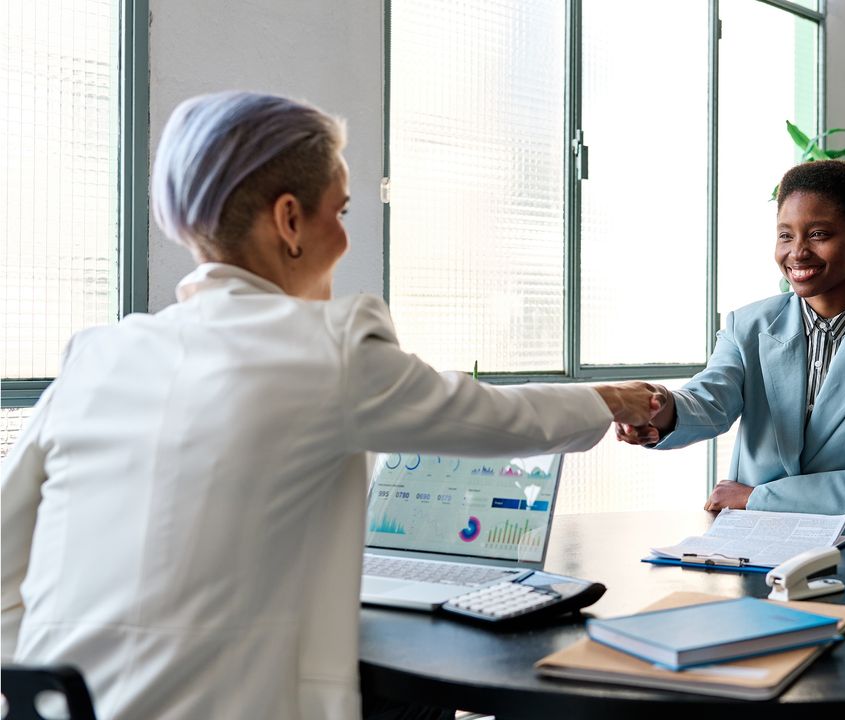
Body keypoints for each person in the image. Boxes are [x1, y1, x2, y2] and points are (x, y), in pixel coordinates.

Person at [0, 91, 663, 719]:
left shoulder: (98, 355)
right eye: (340, 213)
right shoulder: (327, 347)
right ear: (289, 220)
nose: (344, 238)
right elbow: (494, 418)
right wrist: (614, 398)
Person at [617, 160, 845, 520]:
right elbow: (709, 400)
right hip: (752, 551)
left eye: (819, 234)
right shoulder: (746, 326)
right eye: (785, 235)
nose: (797, 252)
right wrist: (659, 407)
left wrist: (758, 497)